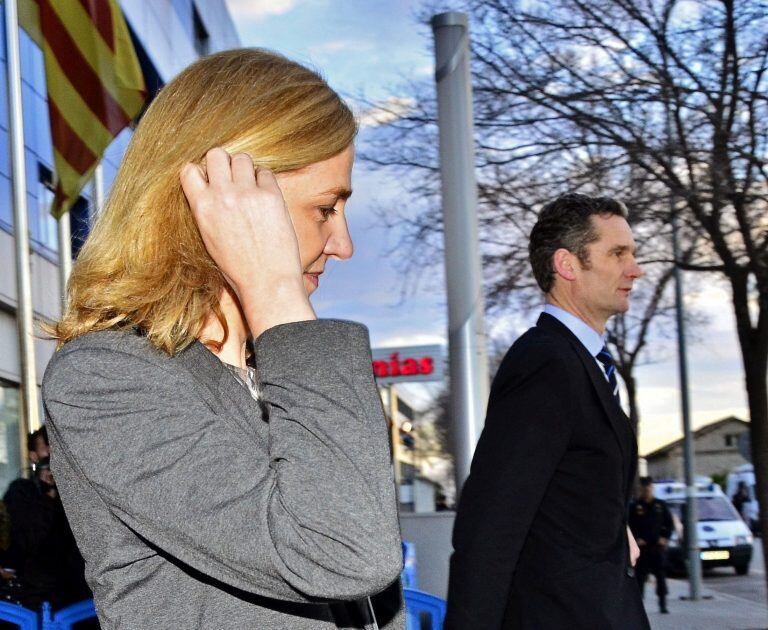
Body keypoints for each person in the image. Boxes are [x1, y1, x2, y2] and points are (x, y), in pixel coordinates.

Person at [42, 49, 404, 629]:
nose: (343, 244)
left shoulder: (280, 364)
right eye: (326, 209)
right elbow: (345, 554)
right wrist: (274, 288)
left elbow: (374, 599)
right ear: (232, 201)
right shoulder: (106, 377)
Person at [445, 193, 649, 629]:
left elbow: (565, 494)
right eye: (617, 253)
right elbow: (491, 525)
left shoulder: (579, 361)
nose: (635, 269)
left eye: (632, 254)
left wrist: (616, 529)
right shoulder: (547, 363)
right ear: (568, 265)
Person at [1, 457, 92, 610]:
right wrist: (48, 497)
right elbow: (27, 538)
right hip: (34, 590)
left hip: (73, 590)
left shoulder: (75, 497)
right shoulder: (23, 491)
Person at [629, 476, 673, 614]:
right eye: (644, 489)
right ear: (640, 490)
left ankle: (663, 604)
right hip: (642, 549)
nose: (646, 491)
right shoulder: (635, 506)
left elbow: (669, 524)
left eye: (648, 489)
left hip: (657, 548)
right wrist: (636, 539)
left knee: (660, 576)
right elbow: (629, 525)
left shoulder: (660, 505)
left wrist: (665, 538)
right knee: (640, 578)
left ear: (652, 489)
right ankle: (639, 608)